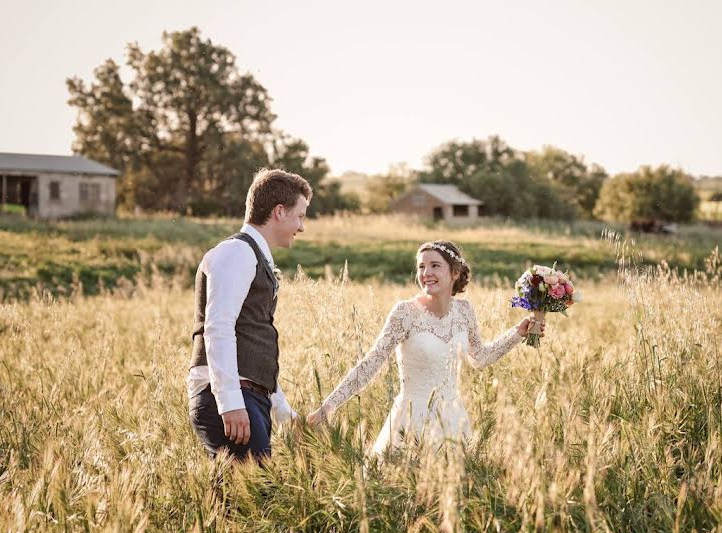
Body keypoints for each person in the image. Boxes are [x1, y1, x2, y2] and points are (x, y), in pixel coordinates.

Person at [306, 240, 543, 455]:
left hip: (452, 420)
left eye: (435, 266)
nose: (426, 273)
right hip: (410, 421)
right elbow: (372, 362)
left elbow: (479, 358)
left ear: (455, 273)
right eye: (421, 267)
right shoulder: (405, 313)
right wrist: (328, 407)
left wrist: (517, 333)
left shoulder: (464, 311)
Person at [187, 168, 311, 463]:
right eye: (300, 216)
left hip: (247, 397)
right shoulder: (237, 253)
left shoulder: (252, 254)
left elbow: (252, 340)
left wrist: (284, 413)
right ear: (279, 212)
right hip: (232, 399)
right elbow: (218, 328)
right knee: (253, 504)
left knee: (242, 504)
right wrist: (229, 402)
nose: (302, 227)